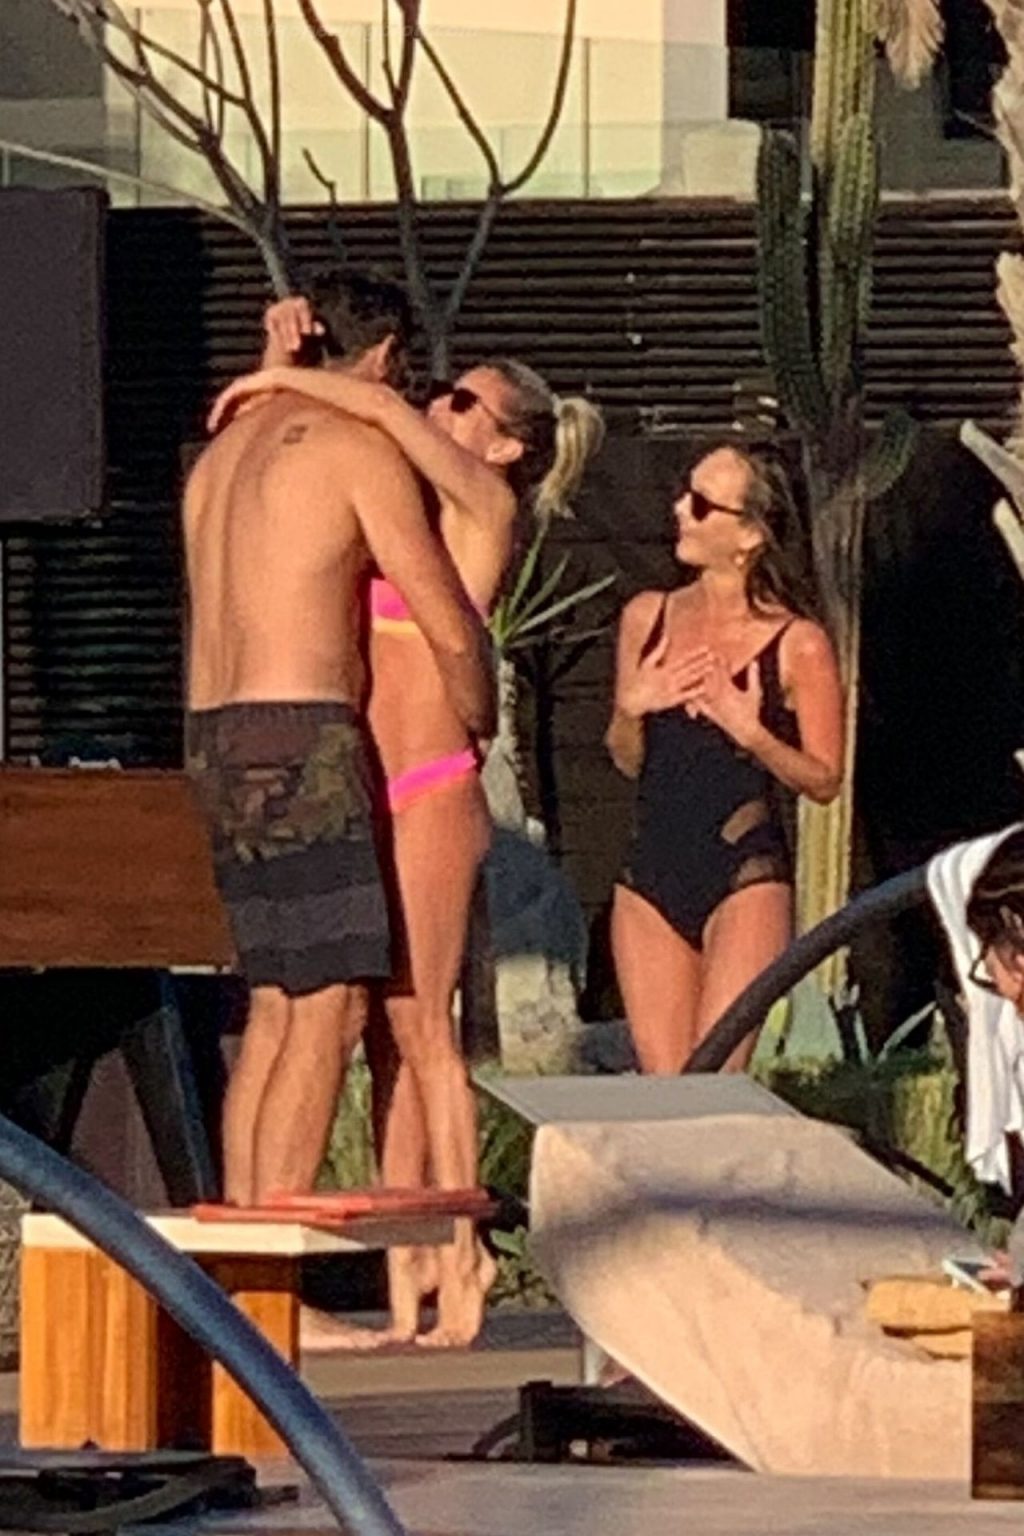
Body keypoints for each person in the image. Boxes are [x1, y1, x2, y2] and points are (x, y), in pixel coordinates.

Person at [209, 303, 605, 1346]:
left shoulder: (482, 507)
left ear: (507, 445)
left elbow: (372, 411)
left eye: (467, 403)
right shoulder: (393, 501)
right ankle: (401, 1271)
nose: (440, 408)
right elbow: (265, 482)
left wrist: (284, 378)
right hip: (351, 784)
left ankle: (463, 1252)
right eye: (442, 392)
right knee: (364, 1034)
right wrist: (275, 366)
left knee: (424, 1029)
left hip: (426, 783)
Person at [184, 267, 495, 1211]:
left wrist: (273, 366)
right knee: (330, 1006)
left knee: (274, 1005)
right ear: (387, 356)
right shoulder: (355, 448)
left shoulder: (222, 454)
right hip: (300, 730)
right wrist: (477, 712)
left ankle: (236, 1253)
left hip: (212, 731)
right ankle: (271, 1263)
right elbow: (446, 620)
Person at [606, 444, 843, 1074]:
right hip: (649, 871)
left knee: (712, 1083)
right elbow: (627, 760)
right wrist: (632, 707)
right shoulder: (647, 618)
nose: (680, 510)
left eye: (703, 504)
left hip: (743, 870)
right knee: (666, 1091)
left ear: (750, 536)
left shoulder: (798, 643)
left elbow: (825, 779)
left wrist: (752, 733)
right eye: (686, 495)